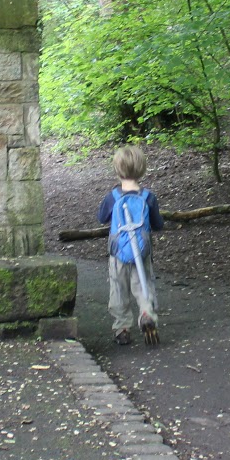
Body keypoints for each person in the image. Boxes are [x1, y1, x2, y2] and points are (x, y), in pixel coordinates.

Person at [97, 145, 164, 345]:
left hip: (118, 252)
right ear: (142, 169)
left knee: (118, 289)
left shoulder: (113, 197)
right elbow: (158, 224)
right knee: (143, 285)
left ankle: (122, 328)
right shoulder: (148, 197)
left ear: (117, 170)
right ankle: (146, 313)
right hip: (142, 253)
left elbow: (101, 218)